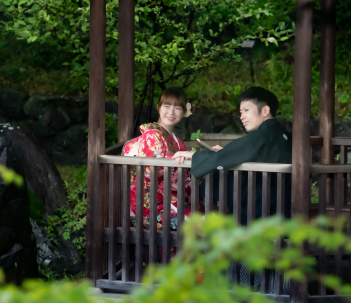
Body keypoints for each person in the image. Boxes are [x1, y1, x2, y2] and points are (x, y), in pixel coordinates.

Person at [173, 86, 292, 223]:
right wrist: (223, 153)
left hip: (264, 207)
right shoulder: (278, 133)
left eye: (246, 110)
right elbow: (240, 152)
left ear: (265, 110)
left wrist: (194, 156)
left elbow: (237, 152)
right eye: (241, 112)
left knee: (223, 170)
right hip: (281, 204)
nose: (242, 116)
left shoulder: (264, 135)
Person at [121, 87, 193, 228]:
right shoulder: (152, 135)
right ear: (159, 108)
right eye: (166, 106)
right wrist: (176, 160)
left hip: (171, 198)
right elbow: (151, 171)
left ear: (184, 112)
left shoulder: (178, 141)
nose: (171, 112)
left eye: (177, 108)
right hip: (151, 204)